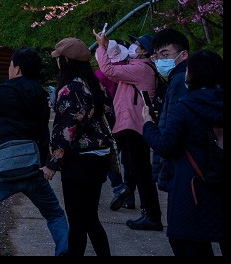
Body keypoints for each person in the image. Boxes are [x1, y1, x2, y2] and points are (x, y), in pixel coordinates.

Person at [0, 47, 69, 257]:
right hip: (35, 168)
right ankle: (64, 250)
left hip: (7, 168)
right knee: (54, 214)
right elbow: (7, 97)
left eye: (10, 65)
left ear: (17, 69)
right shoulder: (40, 94)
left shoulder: (7, 92)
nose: (9, 68)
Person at [141, 49, 224, 256]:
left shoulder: (186, 106)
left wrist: (148, 125)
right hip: (219, 182)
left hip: (191, 186)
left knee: (187, 243)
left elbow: (166, 146)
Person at [43, 37, 113, 256]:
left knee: (76, 220)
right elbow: (111, 116)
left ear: (65, 60)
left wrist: (52, 163)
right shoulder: (95, 84)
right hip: (100, 155)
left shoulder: (69, 89)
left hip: (80, 161)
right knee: (90, 217)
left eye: (58, 58)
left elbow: (65, 130)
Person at [95, 29, 163, 231]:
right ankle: (130, 193)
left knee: (141, 169)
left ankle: (152, 214)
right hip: (129, 123)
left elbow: (109, 70)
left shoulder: (141, 69)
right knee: (131, 164)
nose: (134, 47)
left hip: (135, 124)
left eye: (138, 45)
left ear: (144, 52)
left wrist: (99, 47)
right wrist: (107, 45)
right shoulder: (136, 66)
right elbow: (117, 60)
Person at [148, 28, 191, 194]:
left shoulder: (180, 80)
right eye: (157, 56)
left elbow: (174, 129)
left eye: (165, 55)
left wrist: (148, 123)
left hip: (179, 164)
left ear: (184, 54)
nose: (160, 60)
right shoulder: (178, 78)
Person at [96, 40, 135, 211]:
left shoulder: (100, 74)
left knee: (110, 155)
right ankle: (129, 193)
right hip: (128, 116)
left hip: (109, 118)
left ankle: (119, 187)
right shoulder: (128, 69)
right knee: (128, 158)